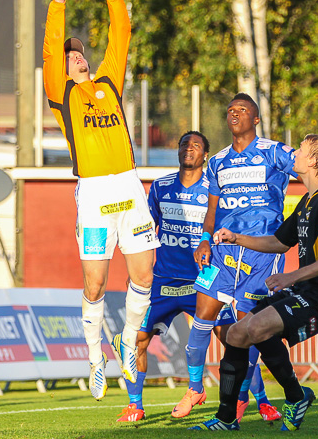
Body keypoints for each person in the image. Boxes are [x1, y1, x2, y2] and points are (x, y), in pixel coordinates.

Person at [43, 0, 155, 400]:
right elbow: (51, 48)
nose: (79, 59)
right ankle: (94, 356)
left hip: (129, 185)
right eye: (72, 57)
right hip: (93, 193)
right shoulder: (62, 94)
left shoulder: (109, 81)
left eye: (81, 54)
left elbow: (121, 35)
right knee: (95, 282)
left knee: (144, 274)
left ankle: (127, 339)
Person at [191, 134, 318, 431]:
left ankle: (294, 395)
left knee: (256, 327)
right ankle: (227, 418)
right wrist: (237, 237)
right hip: (305, 290)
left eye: (301, 151)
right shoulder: (307, 200)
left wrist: (292, 276)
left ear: (312, 161)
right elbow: (279, 241)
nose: (295, 155)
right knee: (238, 334)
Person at [177, 93, 294, 423]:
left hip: (260, 253)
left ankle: (242, 397)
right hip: (221, 252)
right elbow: (211, 211)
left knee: (248, 328)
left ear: (255, 119)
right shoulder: (218, 161)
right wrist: (203, 241)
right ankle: (196, 387)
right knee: (204, 317)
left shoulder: (273, 152)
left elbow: (306, 167)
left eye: (242, 110)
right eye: (230, 110)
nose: (234, 114)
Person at [112, 131, 235, 422]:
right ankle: (135, 405)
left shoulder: (214, 189)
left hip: (203, 279)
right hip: (164, 281)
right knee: (135, 338)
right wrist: (137, 274)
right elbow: (143, 230)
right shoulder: (161, 186)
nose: (188, 150)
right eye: (184, 145)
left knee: (234, 339)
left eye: (196, 146)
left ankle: (258, 401)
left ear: (205, 154)